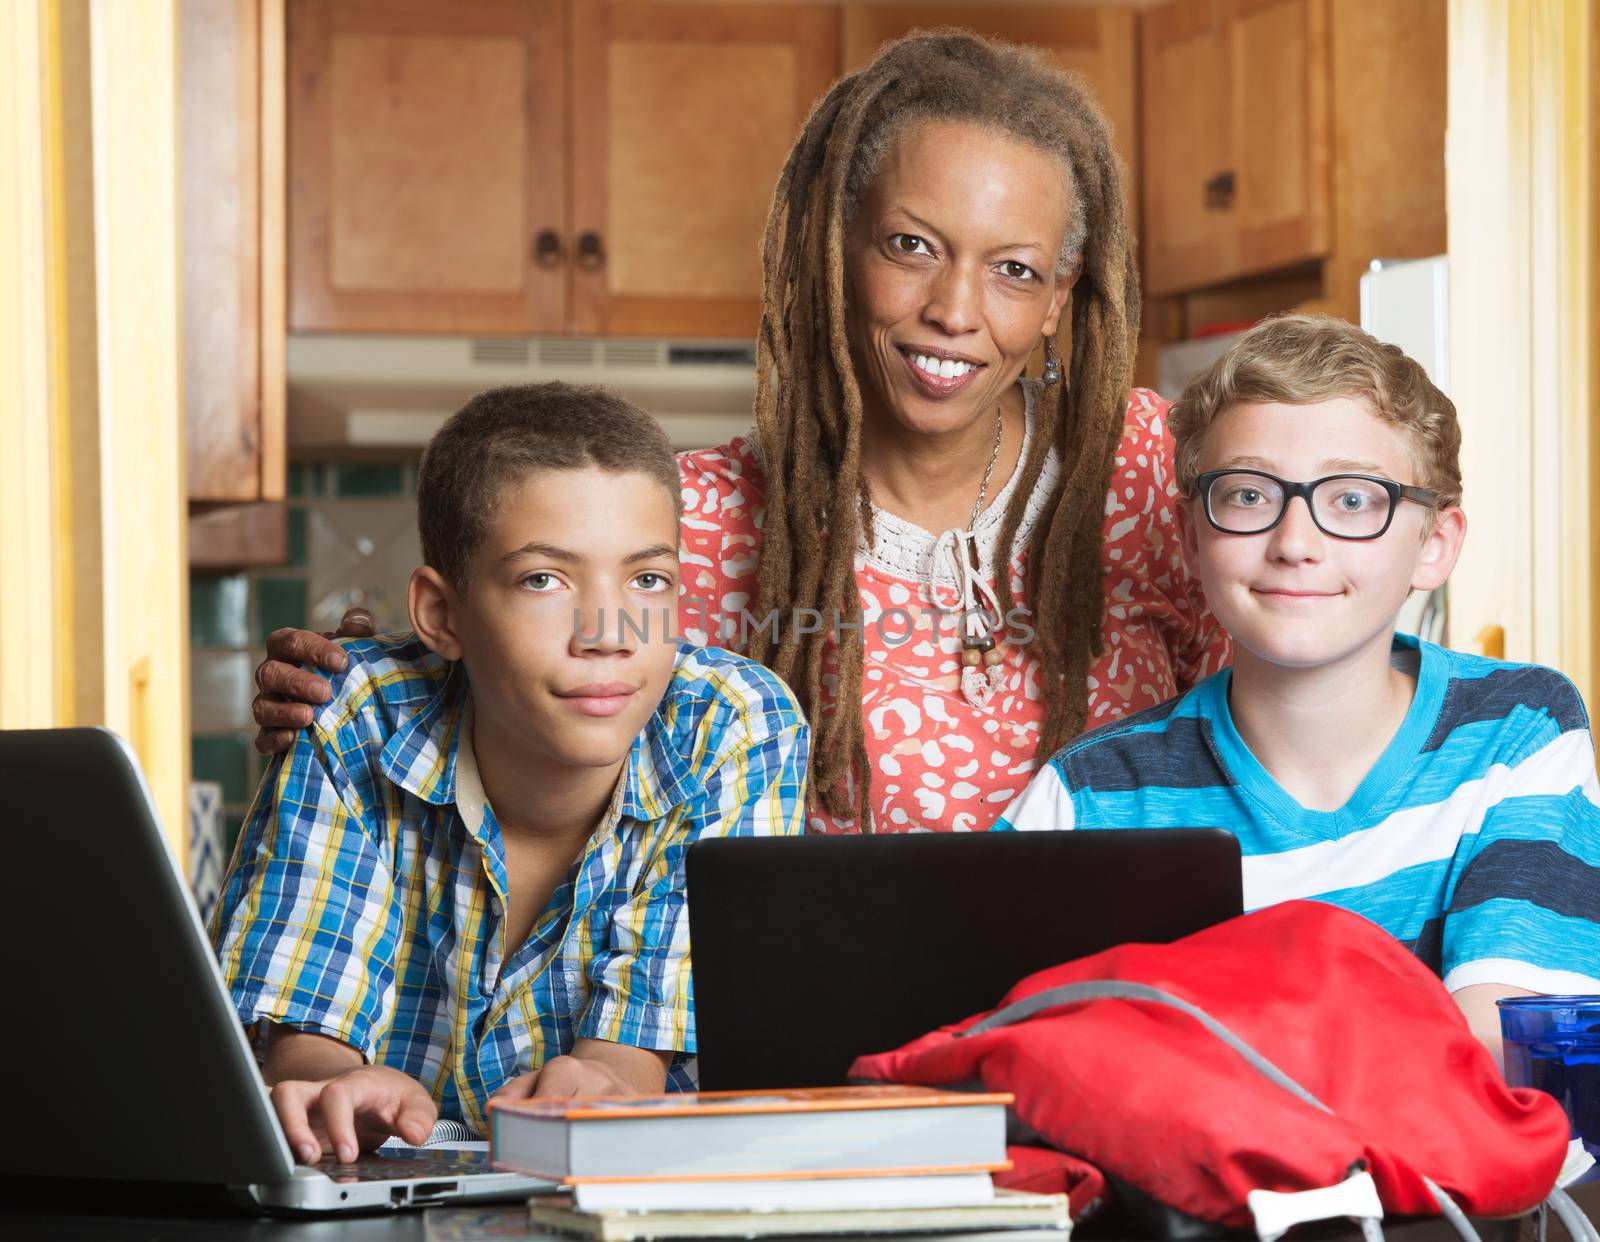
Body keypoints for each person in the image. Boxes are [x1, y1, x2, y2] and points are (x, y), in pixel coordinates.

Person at [249, 31, 1228, 833]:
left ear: (1060, 298)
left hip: (1112, 1032)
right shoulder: (693, 521)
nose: (954, 310)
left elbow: (1284, 718)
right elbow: (525, 701)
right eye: (911, 247)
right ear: (834, 250)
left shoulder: (1155, 467)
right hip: (822, 1061)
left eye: (1014, 269)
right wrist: (367, 701)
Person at [210, 384, 809, 1161]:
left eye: (648, 581)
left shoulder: (733, 724)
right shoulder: (355, 711)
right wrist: (334, 1093)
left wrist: (600, 1086)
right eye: (543, 580)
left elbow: (629, 1066)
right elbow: (306, 1033)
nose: (608, 634)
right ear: (441, 615)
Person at [996, 314, 1600, 1063]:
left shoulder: (1520, 729)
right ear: (1189, 537)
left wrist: (1186, 1046)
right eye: (1249, 496)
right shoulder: (1086, 798)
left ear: (1434, 545)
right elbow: (998, 1052)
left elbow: (1504, 1053)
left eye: (1352, 500)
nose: (1294, 544)